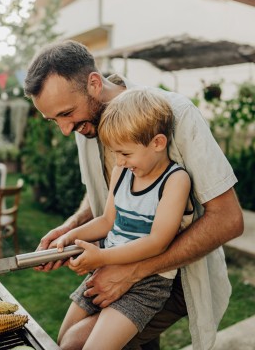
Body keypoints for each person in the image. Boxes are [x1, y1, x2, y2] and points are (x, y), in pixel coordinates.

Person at [24, 40, 243, 350]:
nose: (64, 129)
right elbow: (104, 195)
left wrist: (131, 271)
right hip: (117, 260)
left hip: (173, 275)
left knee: (74, 343)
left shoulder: (176, 114)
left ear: (94, 84)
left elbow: (229, 219)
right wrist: (71, 228)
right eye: (54, 120)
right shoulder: (85, 122)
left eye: (67, 114)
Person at [56, 88, 193, 349]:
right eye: (115, 153)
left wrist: (101, 257)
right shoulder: (122, 171)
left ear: (158, 143)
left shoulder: (175, 181)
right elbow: (107, 221)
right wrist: (69, 236)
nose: (119, 161)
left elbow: (157, 242)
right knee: (64, 341)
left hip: (147, 283)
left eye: (126, 153)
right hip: (107, 268)